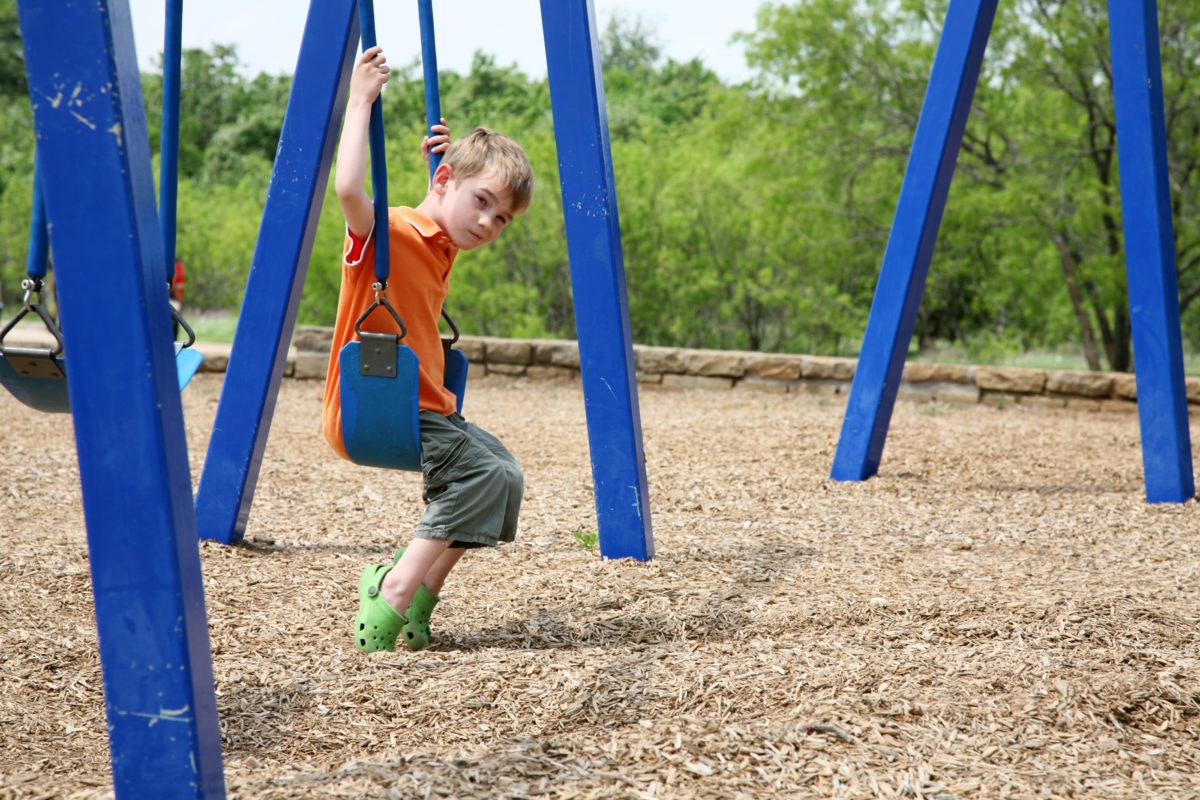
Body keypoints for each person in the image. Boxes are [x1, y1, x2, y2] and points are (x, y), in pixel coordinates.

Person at [322, 45, 535, 654]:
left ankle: (422, 594)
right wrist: (361, 100)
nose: (489, 225)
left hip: (429, 410)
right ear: (447, 183)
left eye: (502, 220)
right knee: (478, 472)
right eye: (483, 203)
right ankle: (392, 589)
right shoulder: (381, 234)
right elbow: (348, 188)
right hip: (378, 409)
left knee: (505, 477)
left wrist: (440, 183)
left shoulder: (438, 242)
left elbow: (433, 215)